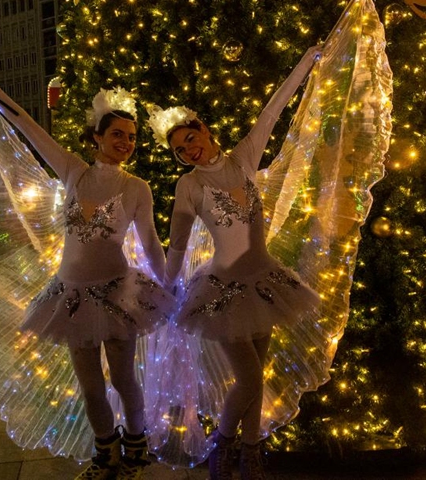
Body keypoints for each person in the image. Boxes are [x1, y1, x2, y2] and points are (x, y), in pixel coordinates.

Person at [0, 57, 173, 480]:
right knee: (90, 386)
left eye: (131, 137)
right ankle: (105, 456)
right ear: (97, 138)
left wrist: (167, 288)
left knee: (124, 379)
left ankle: (136, 451)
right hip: (71, 295)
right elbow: (29, 128)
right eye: (117, 135)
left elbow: (150, 243)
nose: (125, 142)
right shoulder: (72, 170)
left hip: (119, 295)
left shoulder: (136, 187)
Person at [148, 46, 322, 480]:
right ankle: (222, 448)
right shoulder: (189, 187)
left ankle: (251, 455)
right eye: (179, 149)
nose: (187, 150)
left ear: (204, 130)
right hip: (222, 293)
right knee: (247, 377)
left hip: (264, 283)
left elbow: (274, 109)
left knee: (256, 376)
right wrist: (165, 289)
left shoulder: (244, 157)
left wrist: (308, 60)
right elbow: (177, 246)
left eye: (190, 139)